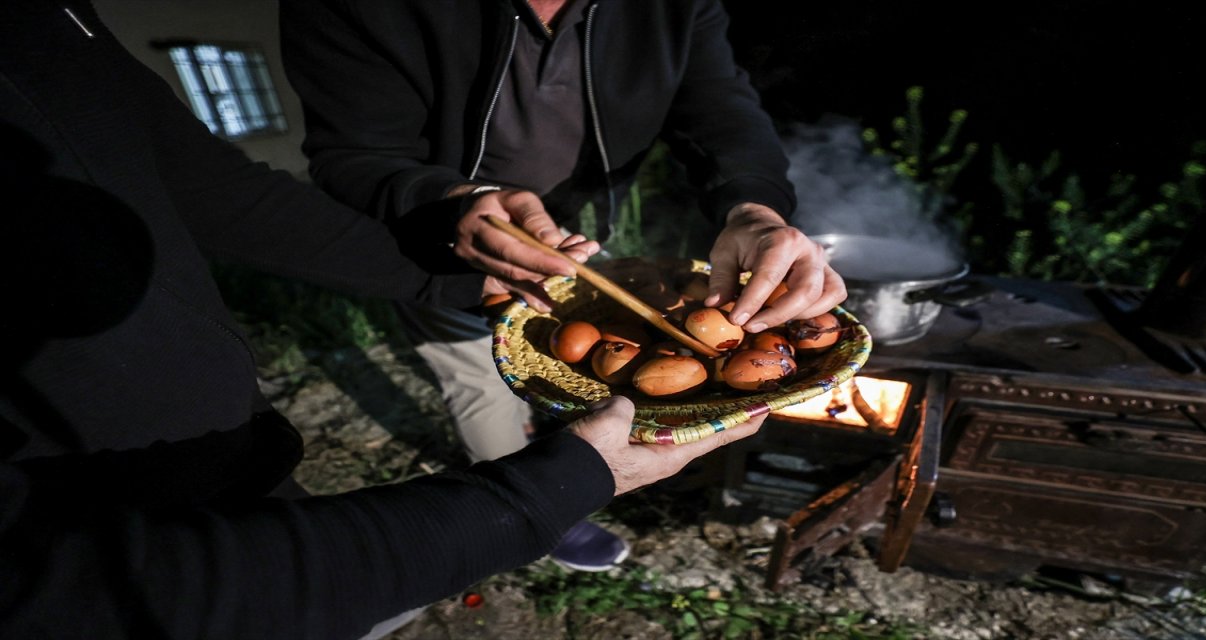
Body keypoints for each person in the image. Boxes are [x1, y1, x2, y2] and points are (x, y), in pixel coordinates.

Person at [0, 2, 765, 638]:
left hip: (230, 456)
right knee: (477, 402)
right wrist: (532, 501)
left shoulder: (52, 20)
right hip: (98, 518)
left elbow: (215, 190)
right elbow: (67, 595)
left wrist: (468, 271)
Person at [280, 0, 847, 571]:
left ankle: (550, 468)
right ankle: (530, 515)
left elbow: (719, 105)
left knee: (572, 379)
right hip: (439, 248)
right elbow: (351, 154)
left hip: (588, 249)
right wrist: (448, 207)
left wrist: (754, 206)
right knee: (477, 378)